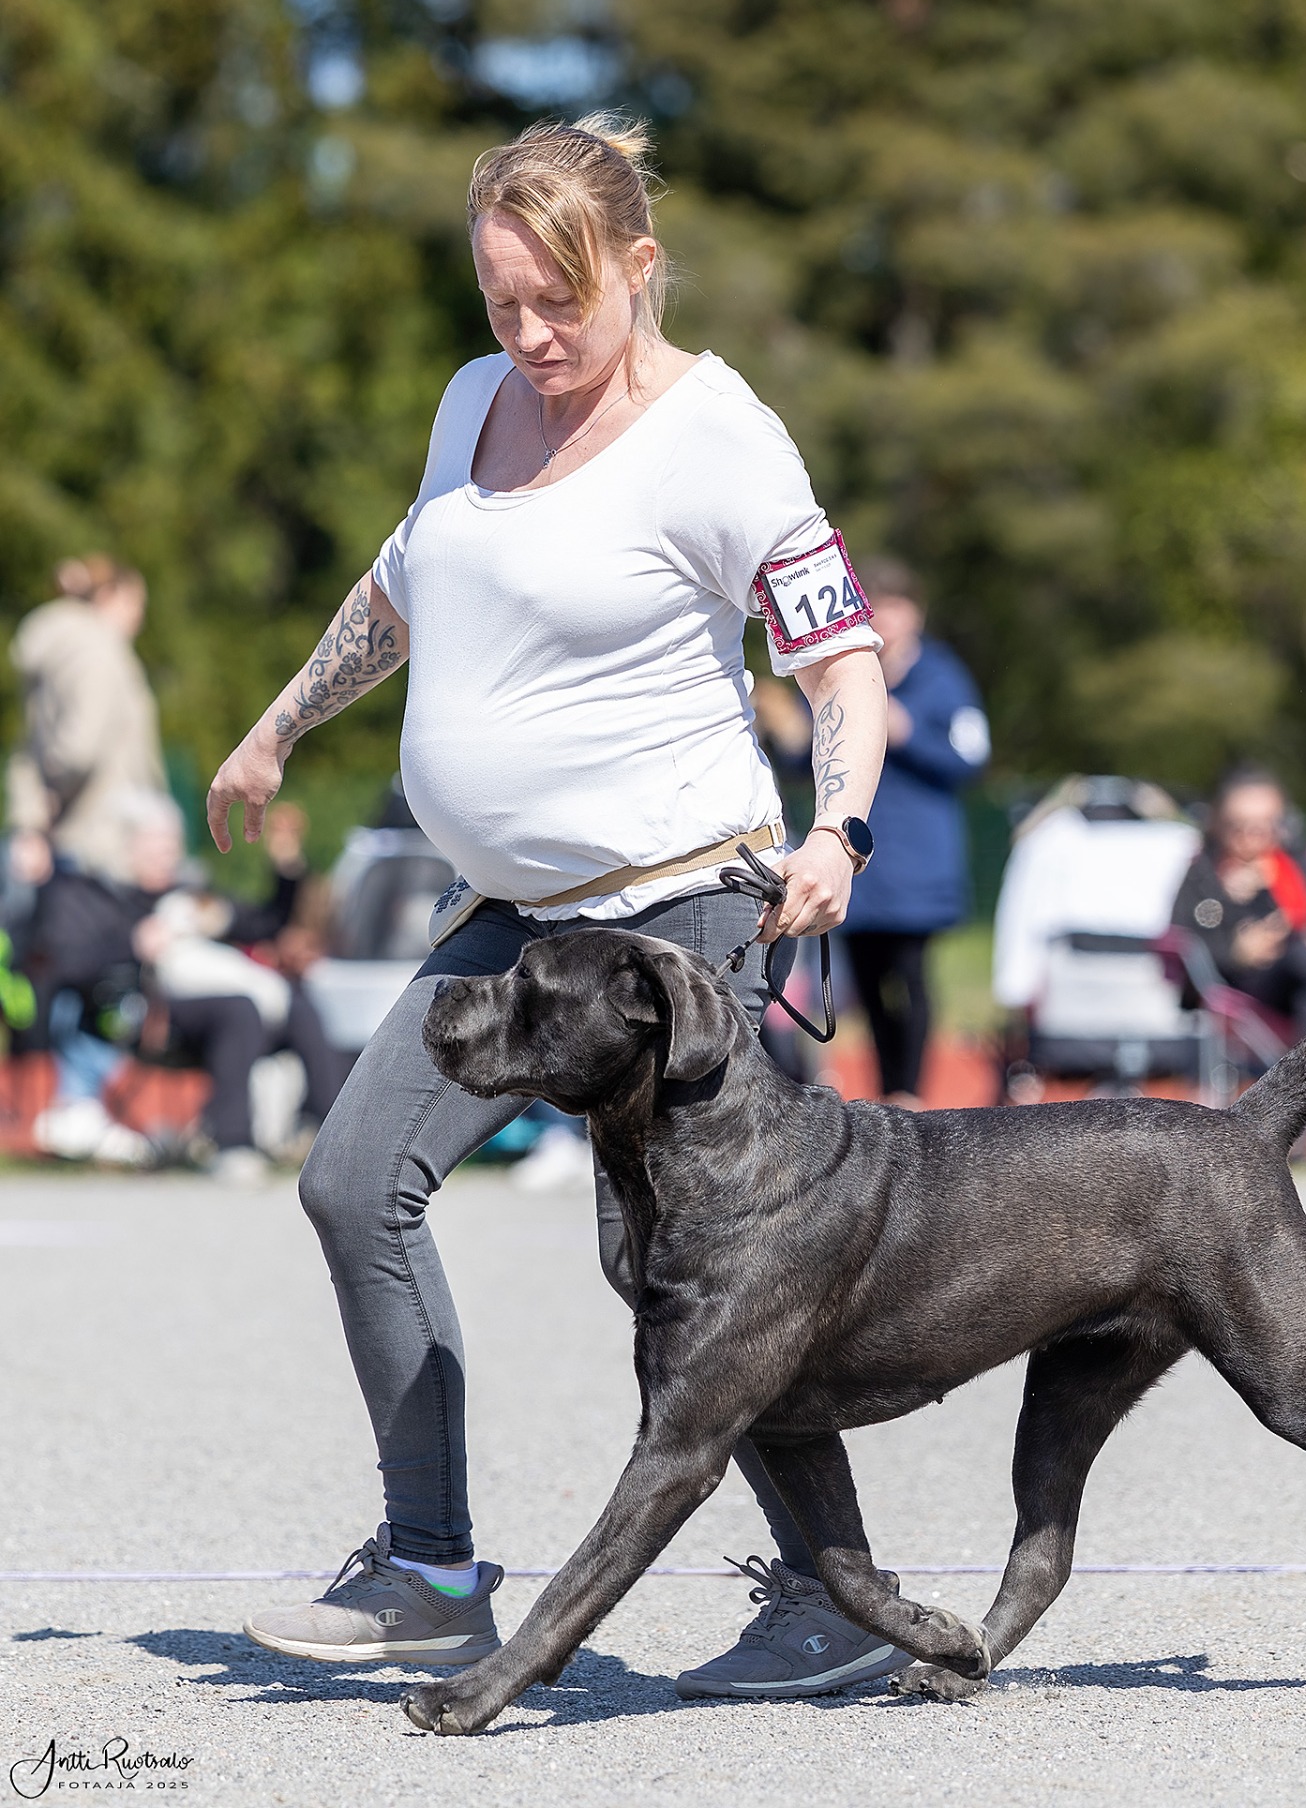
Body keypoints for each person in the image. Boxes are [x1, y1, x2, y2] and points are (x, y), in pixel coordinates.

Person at [205, 115, 895, 1698]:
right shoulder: (472, 402)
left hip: (678, 921)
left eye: (557, 304)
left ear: (636, 268)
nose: (526, 337)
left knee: (685, 1263)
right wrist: (277, 725)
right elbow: (403, 583)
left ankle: (834, 1599)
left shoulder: (720, 438)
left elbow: (838, 661)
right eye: (498, 301)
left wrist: (838, 829)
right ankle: (429, 1573)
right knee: (352, 1185)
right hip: (513, 919)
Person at [23, 793, 339, 1180]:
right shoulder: (97, 898)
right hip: (138, 1012)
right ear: (126, 845)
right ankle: (232, 1143)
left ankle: (330, 1136)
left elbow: (265, 925)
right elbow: (63, 964)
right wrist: (135, 944)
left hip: (212, 1004)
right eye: (156, 842)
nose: (168, 852)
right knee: (239, 1009)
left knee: (299, 1005)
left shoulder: (191, 895)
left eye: (172, 842)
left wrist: (286, 868)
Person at [837, 559, 989, 1101]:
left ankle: (911, 1095)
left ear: (916, 613)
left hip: (918, 862)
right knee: (867, 989)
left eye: (894, 605)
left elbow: (970, 757)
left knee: (911, 979)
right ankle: (886, 1095)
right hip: (856, 861)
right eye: (874, 605)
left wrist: (909, 733)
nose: (884, 617)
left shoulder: (943, 677)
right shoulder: (846, 671)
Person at [7, 556, 165, 889]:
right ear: (108, 595)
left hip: (77, 838)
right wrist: (48, 807)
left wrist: (32, 816)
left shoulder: (62, 649)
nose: (139, 616)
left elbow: (30, 746)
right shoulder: (98, 651)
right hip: (102, 839)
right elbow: (79, 748)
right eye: (135, 602)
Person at [1170, 765, 1306, 1037]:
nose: (1254, 838)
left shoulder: (1294, 868)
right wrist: (1236, 952)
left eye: (1267, 825)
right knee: (1299, 950)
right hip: (1244, 989)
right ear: (1218, 823)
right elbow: (1181, 950)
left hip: (1303, 986)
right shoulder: (1203, 877)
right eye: (1239, 827)